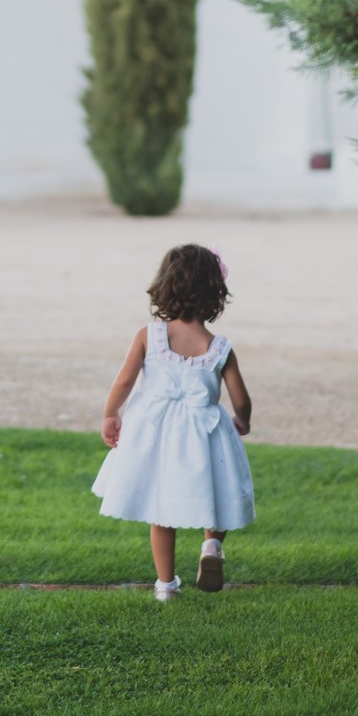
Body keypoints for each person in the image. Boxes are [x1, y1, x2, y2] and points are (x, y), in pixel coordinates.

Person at [92, 243, 255, 601]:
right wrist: (241, 420)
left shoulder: (148, 336)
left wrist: (111, 413)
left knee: (161, 508)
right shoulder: (219, 347)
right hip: (205, 432)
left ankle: (166, 586)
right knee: (219, 490)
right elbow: (241, 397)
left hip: (158, 433)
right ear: (215, 292)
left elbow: (125, 380)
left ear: (165, 285)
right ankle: (211, 546)